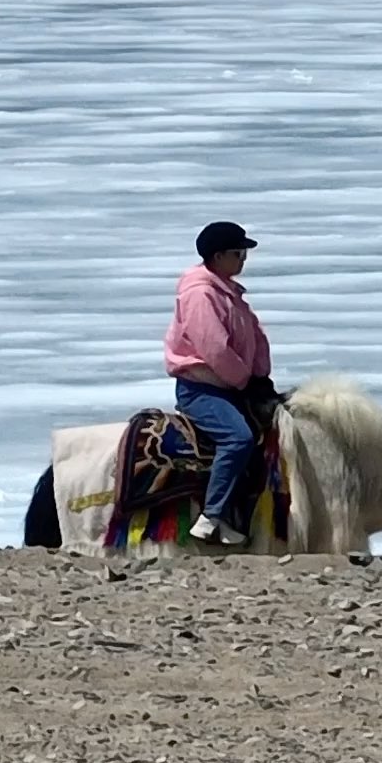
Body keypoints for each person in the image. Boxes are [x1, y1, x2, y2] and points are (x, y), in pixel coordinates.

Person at [164, 220, 276, 546]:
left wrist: (260, 376)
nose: (243, 259)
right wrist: (244, 380)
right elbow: (214, 347)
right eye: (238, 253)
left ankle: (239, 516)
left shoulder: (227, 291)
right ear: (217, 257)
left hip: (231, 386)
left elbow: (253, 337)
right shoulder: (201, 294)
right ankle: (211, 516)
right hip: (202, 389)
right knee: (238, 439)